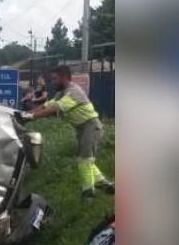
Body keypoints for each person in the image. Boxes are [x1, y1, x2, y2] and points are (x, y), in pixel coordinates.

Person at [23, 65, 114, 200]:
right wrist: (26, 114)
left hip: (90, 126)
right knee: (85, 159)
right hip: (82, 128)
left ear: (64, 78)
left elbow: (54, 109)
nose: (53, 82)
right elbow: (46, 106)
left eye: (55, 79)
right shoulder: (62, 93)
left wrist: (31, 117)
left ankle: (88, 193)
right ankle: (104, 184)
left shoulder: (73, 92)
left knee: (85, 159)